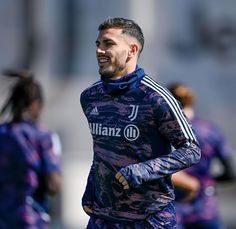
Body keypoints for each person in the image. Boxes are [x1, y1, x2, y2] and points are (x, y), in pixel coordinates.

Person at [80, 17, 201, 229]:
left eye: (108, 43)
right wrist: (90, 190)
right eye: (98, 44)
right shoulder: (91, 96)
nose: (99, 50)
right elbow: (101, 150)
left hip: (151, 218)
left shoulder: (156, 98)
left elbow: (191, 150)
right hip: (104, 218)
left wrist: (143, 170)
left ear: (132, 50)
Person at [168, 83, 235, 229]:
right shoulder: (211, 131)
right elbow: (230, 173)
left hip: (175, 208)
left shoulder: (166, 132)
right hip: (206, 208)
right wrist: (206, 181)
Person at [0, 69, 61, 228]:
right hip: (30, 220)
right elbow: (53, 186)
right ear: (37, 104)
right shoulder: (42, 136)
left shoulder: (2, 133)